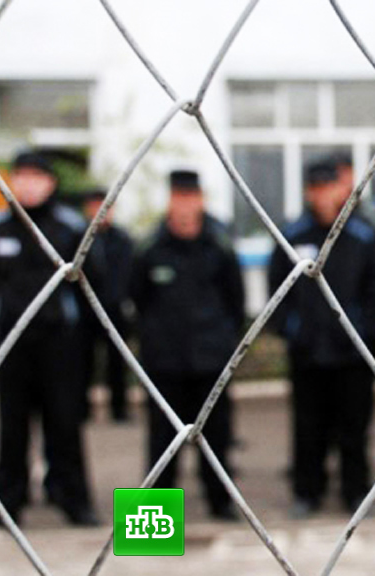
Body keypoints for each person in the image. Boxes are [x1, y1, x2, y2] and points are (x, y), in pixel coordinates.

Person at [0, 151, 100, 530]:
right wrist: (1, 310)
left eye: (36, 177)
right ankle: (7, 506)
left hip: (59, 343)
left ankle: (74, 501)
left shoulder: (70, 227)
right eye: (21, 176)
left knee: (64, 423)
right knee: (11, 427)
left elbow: (92, 282)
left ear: (50, 182)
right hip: (11, 344)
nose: (28, 184)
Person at [268, 159, 375, 517]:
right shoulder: (292, 236)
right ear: (309, 192)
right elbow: (277, 292)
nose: (323, 196)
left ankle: (355, 491)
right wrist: (294, 329)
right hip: (307, 352)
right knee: (308, 426)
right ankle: (307, 491)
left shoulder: (363, 236)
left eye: (329, 187)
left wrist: (361, 329)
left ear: (341, 190)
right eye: (316, 189)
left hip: (352, 353)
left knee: (355, 426)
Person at [130, 169, 244, 520]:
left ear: (201, 200)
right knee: (160, 441)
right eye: (178, 198)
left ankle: (220, 504)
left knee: (217, 437)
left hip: (211, 361)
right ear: (169, 201)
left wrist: (222, 341)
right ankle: (153, 525)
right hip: (164, 364)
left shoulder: (219, 246)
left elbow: (235, 301)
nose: (184, 206)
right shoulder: (150, 248)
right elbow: (137, 300)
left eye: (190, 198)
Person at [79, 188, 134, 423]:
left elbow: (129, 274)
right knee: (83, 362)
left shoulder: (122, 239)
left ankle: (119, 409)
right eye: (95, 206)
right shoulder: (79, 237)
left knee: (117, 362)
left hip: (114, 308)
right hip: (85, 310)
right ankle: (82, 410)